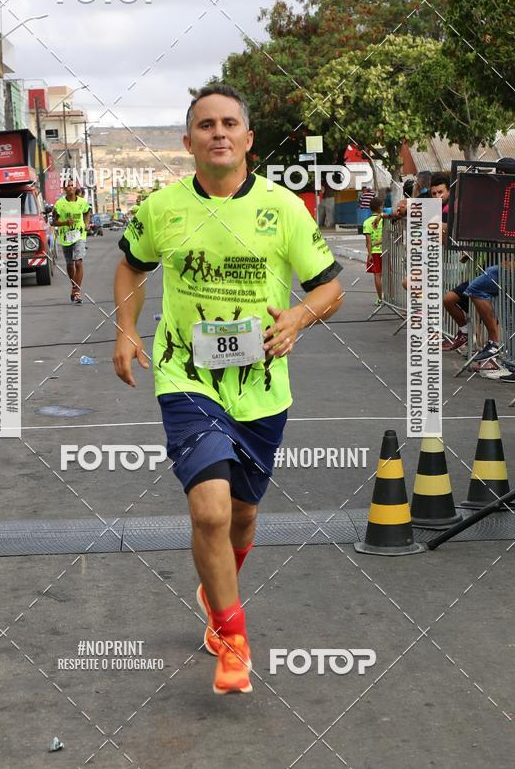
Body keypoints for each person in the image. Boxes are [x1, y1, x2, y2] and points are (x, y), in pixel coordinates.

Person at [113, 83, 343, 695]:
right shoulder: (163, 209)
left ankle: (218, 586)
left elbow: (330, 288)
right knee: (209, 510)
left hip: (263, 388)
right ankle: (232, 636)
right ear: (188, 142)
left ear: (248, 139)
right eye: (205, 124)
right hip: (185, 377)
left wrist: (298, 317)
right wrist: (126, 329)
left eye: (229, 123)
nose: (218, 132)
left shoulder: (283, 208)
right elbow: (132, 267)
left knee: (242, 517)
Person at [52, 178, 91, 303]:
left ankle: (77, 291)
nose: (70, 187)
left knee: (78, 262)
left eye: (72, 185)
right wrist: (65, 222)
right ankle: (74, 286)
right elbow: (53, 222)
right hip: (66, 237)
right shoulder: (59, 204)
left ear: (75, 188)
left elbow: (86, 212)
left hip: (79, 235)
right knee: (70, 265)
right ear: (64, 189)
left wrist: (86, 223)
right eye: (67, 186)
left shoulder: (82, 202)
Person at [363, 196, 385, 304]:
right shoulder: (385, 220)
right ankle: (391, 298)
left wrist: (370, 254)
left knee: (377, 275)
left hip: (375, 252)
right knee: (389, 275)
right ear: (380, 207)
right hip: (385, 250)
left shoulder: (366, 222)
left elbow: (368, 241)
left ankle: (380, 298)